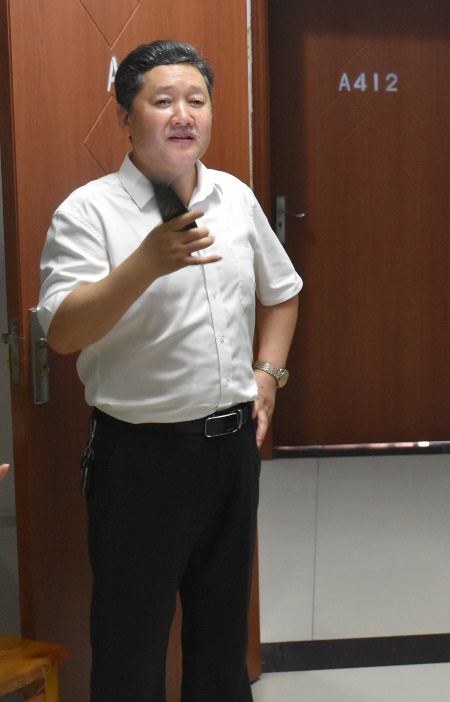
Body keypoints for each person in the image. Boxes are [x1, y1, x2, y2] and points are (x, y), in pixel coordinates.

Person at [36, 40, 302, 701]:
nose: (184, 114)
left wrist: (268, 374)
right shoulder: (89, 211)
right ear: (126, 118)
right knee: (130, 648)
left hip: (231, 452)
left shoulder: (233, 197)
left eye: (196, 100)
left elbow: (283, 292)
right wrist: (145, 264)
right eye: (162, 101)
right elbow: (62, 333)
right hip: (140, 459)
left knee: (221, 644)